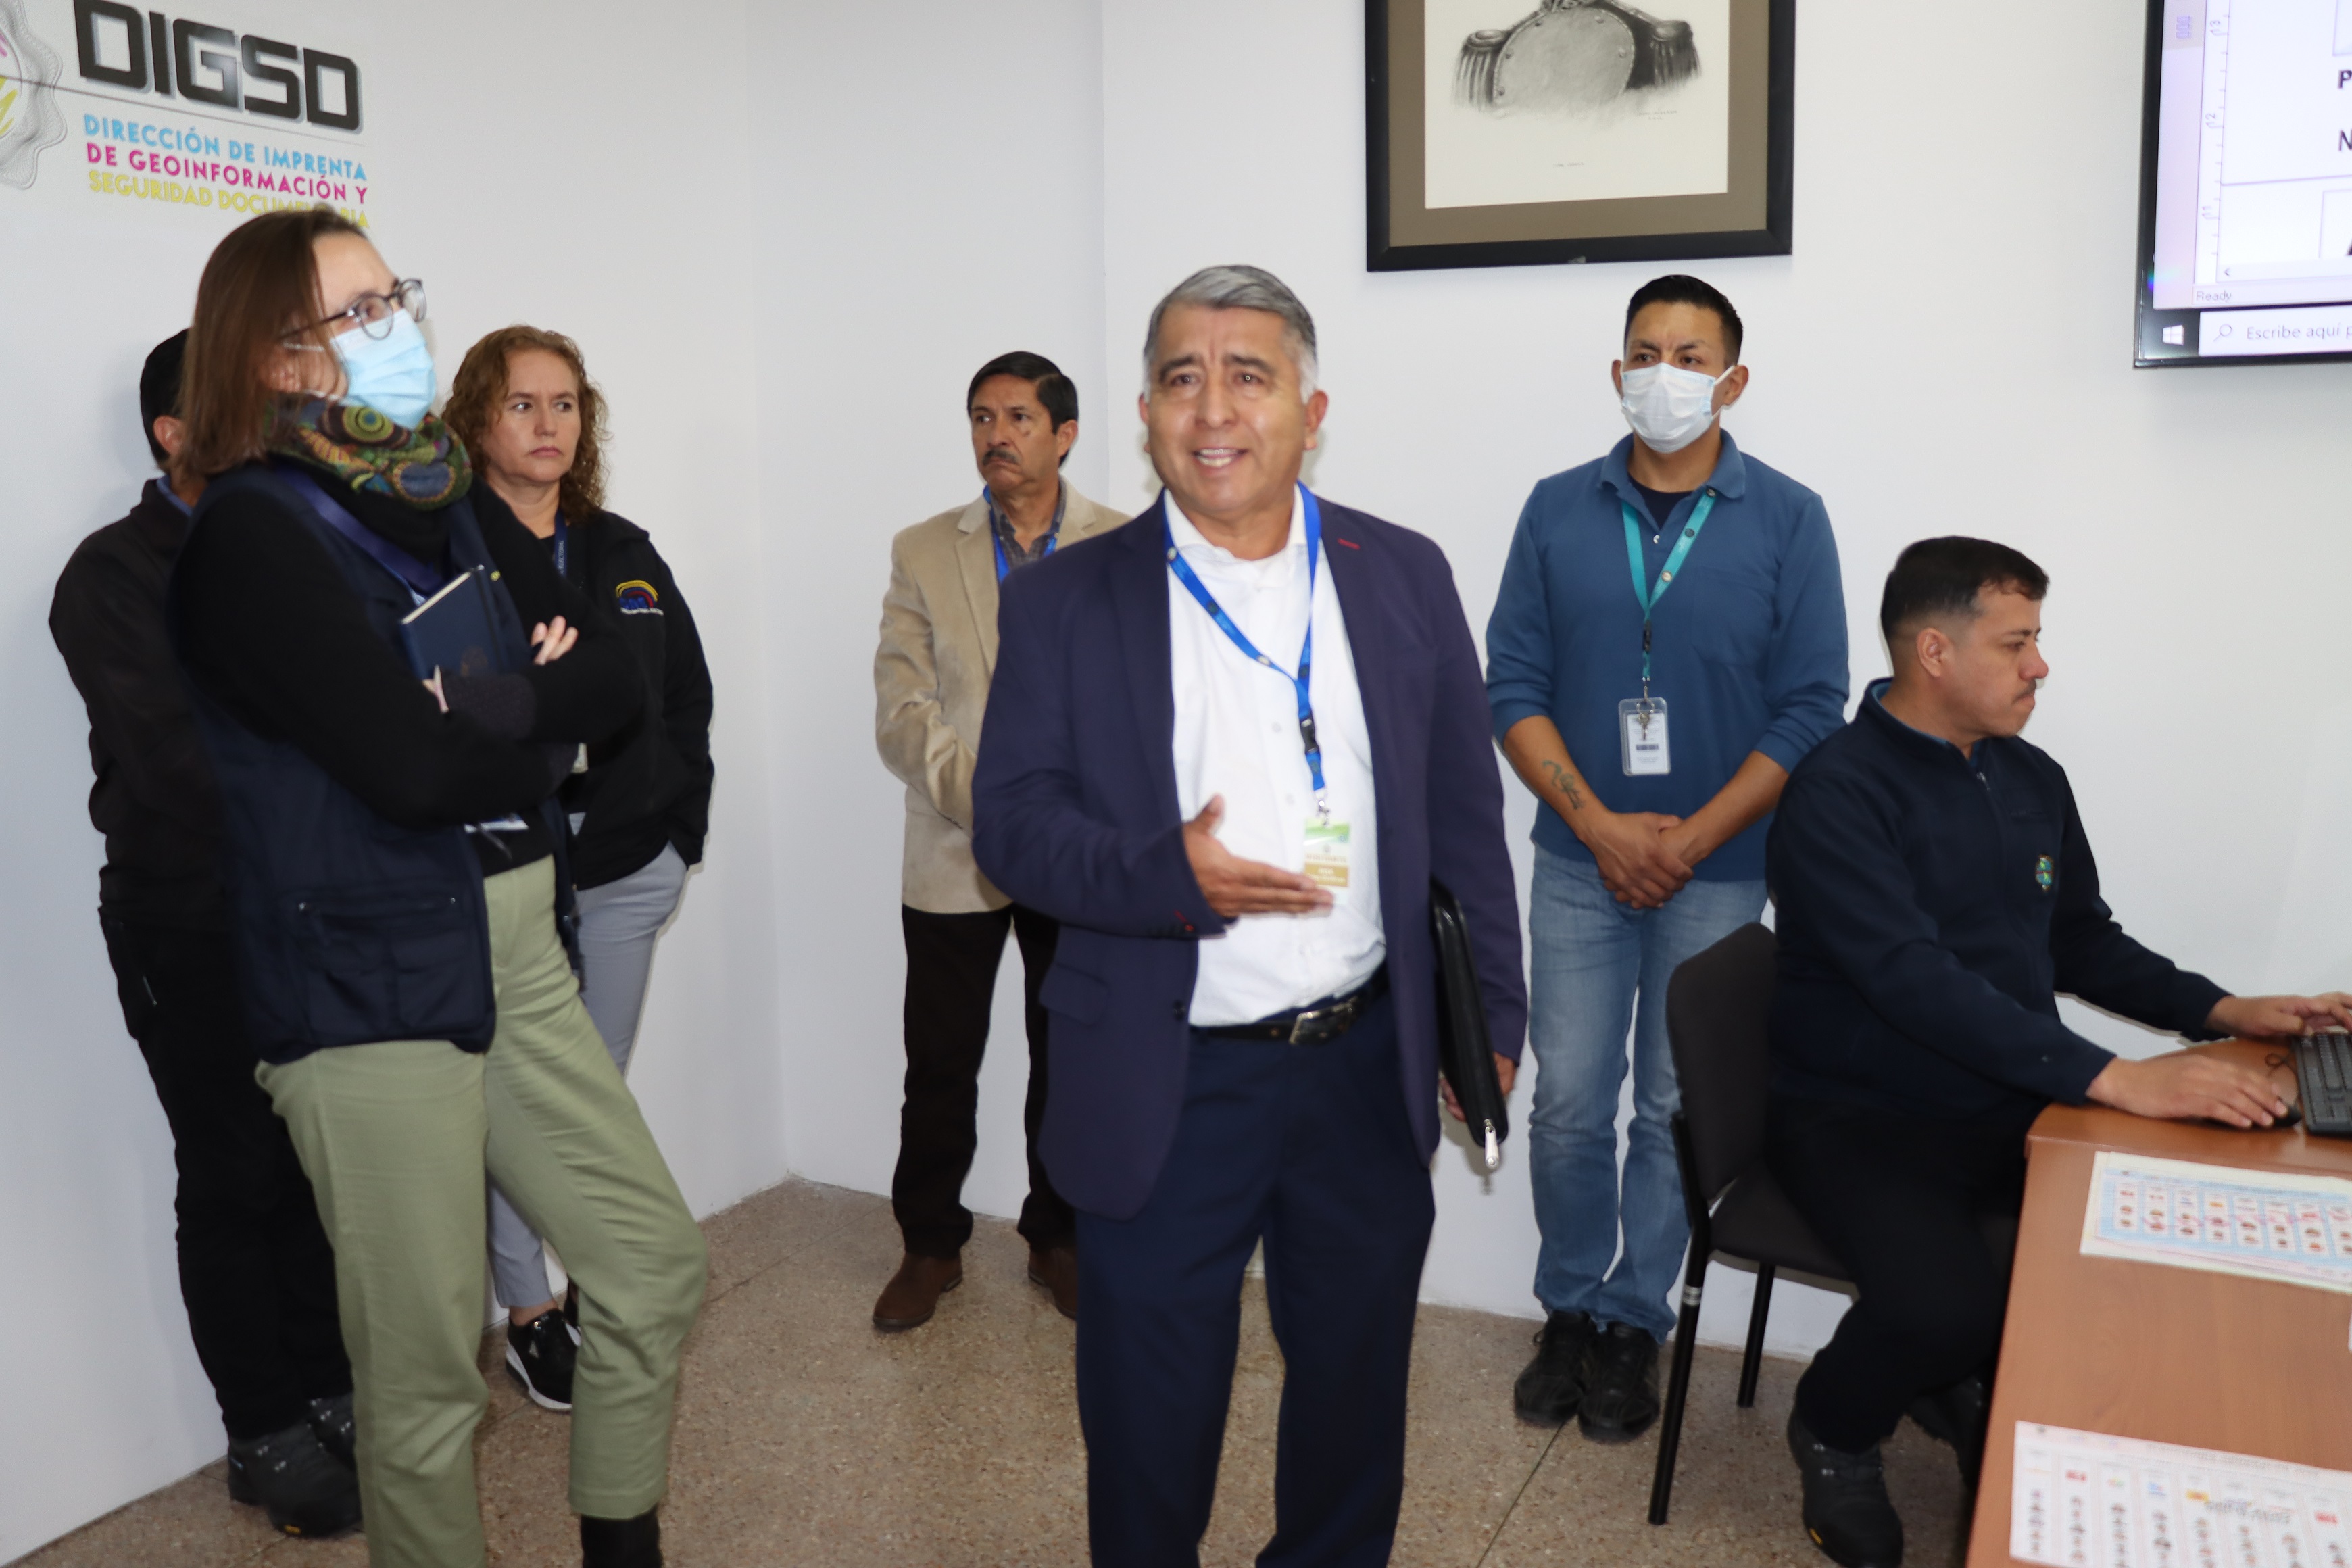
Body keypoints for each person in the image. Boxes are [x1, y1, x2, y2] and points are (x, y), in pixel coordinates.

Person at [166, 205, 706, 1568]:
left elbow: (615, 681)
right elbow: (410, 772)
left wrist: (492, 705)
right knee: (424, 1386)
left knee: (651, 1264)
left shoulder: (441, 492)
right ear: (279, 356)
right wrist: (525, 713)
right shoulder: (250, 536)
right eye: (359, 310)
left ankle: (621, 1548)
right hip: (367, 986)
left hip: (513, 936)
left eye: (393, 295)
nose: (396, 324)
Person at [971, 266, 1527, 1567]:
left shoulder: (1404, 573)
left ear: (1310, 412)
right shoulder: (1064, 600)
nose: (1211, 408)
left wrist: (1491, 1020)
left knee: (1353, 1393)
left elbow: (1463, 817)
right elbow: (1012, 826)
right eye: (1181, 378)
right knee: (1150, 1415)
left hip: (1363, 1066)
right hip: (1164, 1076)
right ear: (1145, 416)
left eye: (1247, 376)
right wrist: (1165, 873)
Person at [1765, 537, 2352, 1568]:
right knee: (1944, 1306)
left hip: (2009, 1095)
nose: (2040, 665)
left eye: (2037, 639)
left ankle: (1954, 1378)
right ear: (1935, 652)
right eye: (2017, 643)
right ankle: (1834, 1425)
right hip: (1863, 1112)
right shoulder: (1837, 793)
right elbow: (1910, 978)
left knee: (2146, 1258)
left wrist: (2228, 1009)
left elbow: (2081, 940)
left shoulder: (2030, 776)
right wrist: (2114, 1078)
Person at [1484, 274, 1848, 1440]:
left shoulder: (1790, 517)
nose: (1666, 375)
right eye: (1646, 353)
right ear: (1616, 373)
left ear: (1732, 382)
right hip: (1576, 860)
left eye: (1692, 357)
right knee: (1568, 1104)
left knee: (1672, 1109)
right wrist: (1600, 825)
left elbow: (1813, 705)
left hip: (1722, 871)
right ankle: (1569, 1306)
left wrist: (1689, 839)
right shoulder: (1555, 508)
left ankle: (1636, 1320)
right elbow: (1512, 686)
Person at [49, 332, 360, 1538]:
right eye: (243, 409)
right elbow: (178, 764)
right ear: (171, 435)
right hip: (187, 917)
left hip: (308, 906)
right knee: (232, 1171)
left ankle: (331, 1390)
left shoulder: (302, 547)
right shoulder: (112, 573)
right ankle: (263, 1431)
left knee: (312, 1161)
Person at [445, 326, 716, 1406]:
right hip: (505, 878)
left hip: (623, 868)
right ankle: (528, 1311)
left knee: (588, 1100)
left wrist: (678, 828)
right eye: (522, 404)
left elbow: (685, 695)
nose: (548, 423)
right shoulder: (442, 556)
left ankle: (603, 1278)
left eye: (565, 404)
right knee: (518, 1105)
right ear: (477, 421)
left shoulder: (622, 551)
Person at [870, 350, 1129, 1330]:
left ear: (1065, 435)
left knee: (1071, 1058)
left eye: (1019, 417)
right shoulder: (923, 549)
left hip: (1080, 853)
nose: (997, 436)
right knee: (940, 1061)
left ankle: (1057, 1237)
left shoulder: (1125, 544)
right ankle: (929, 1245)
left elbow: (1139, 701)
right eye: (982, 417)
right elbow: (903, 710)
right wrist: (996, 803)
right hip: (956, 845)